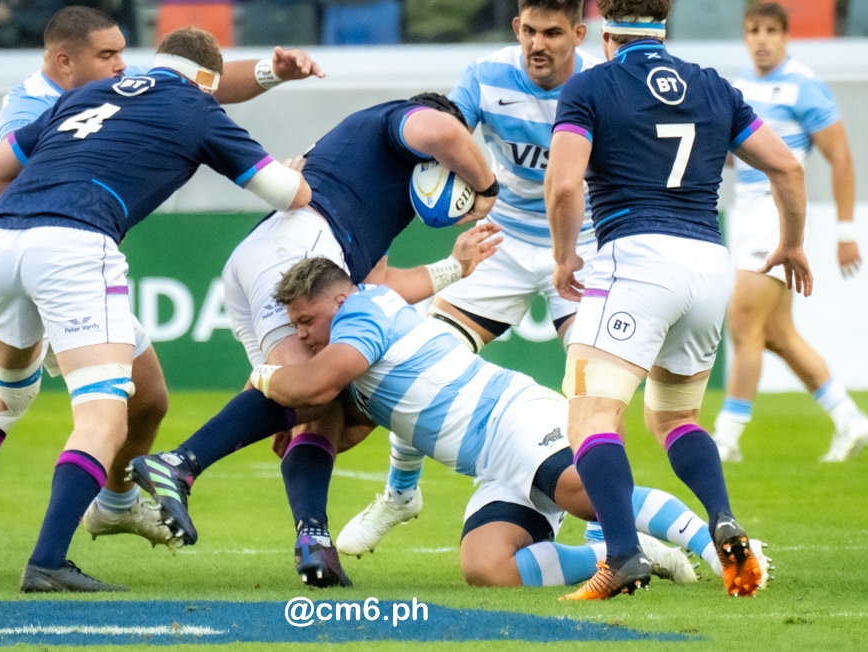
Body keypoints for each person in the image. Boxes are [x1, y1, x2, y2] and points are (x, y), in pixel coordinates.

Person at [0, 8, 325, 584]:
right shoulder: (193, 106)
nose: (119, 63)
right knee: (102, 413)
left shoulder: (86, 94)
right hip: (71, 248)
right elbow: (288, 193)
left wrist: (44, 202)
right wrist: (298, 172)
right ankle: (45, 562)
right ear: (65, 58)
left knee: (10, 400)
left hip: (1, 240)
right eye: (108, 53)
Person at [128, 92, 501, 588]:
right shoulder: (396, 120)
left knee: (326, 408)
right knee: (313, 388)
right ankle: (179, 463)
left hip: (274, 255)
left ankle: (314, 543)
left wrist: (455, 267)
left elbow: (374, 286)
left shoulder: (379, 185)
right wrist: (487, 187)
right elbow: (446, 132)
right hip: (294, 252)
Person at [246, 256, 772, 590]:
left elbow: (312, 386)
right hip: (493, 465)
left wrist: (265, 377)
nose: (302, 336)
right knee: (486, 567)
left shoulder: (367, 321)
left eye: (305, 322)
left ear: (340, 302)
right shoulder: (358, 355)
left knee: (585, 495)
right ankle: (625, 554)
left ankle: (719, 549)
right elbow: (388, 421)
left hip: (514, 419)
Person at [545, 0, 811, 600]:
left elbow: (563, 185)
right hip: (708, 264)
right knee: (673, 418)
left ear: (605, 30)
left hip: (637, 258)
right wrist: (792, 243)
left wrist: (564, 257)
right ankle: (723, 518)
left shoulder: (590, 86)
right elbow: (788, 168)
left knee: (591, 416)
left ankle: (621, 557)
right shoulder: (714, 86)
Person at [337, 0, 603, 559]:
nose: (538, 44)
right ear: (516, 27)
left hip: (579, 247)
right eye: (530, 30)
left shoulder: (601, 85)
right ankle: (400, 494)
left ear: (579, 33)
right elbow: (433, 139)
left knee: (596, 385)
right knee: (414, 358)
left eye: (553, 33)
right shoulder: (486, 75)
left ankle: (605, 527)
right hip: (500, 242)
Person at [712, 2, 868, 464]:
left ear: (785, 36)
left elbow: (841, 157)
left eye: (770, 31)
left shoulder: (804, 86)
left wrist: (845, 231)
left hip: (777, 211)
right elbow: (734, 155)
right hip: (748, 211)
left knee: (742, 320)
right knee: (778, 333)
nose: (761, 39)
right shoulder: (739, 86)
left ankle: (725, 438)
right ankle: (851, 420)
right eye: (753, 30)